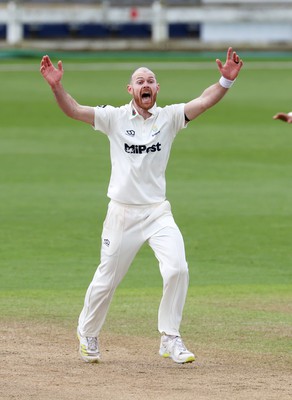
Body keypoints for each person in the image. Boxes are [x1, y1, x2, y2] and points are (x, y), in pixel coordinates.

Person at [40, 47, 243, 364]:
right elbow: (74, 110)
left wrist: (225, 81)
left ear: (157, 89)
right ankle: (88, 332)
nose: (145, 84)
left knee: (177, 268)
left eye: (150, 80)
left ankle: (170, 337)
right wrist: (56, 87)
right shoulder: (114, 117)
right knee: (107, 280)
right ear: (130, 90)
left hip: (157, 212)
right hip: (122, 214)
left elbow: (203, 101)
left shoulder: (171, 117)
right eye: (139, 80)